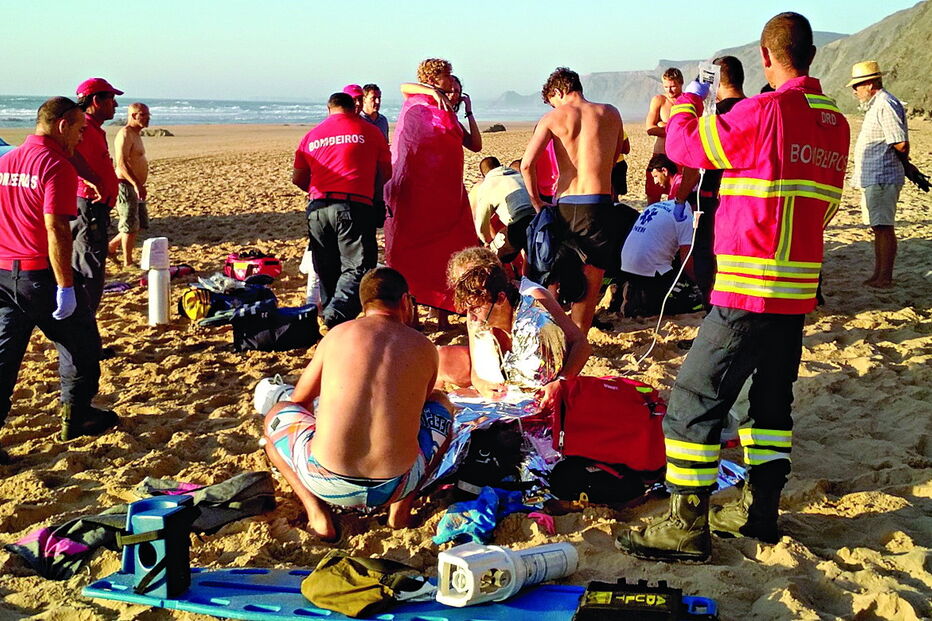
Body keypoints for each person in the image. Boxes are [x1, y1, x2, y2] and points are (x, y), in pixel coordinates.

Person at [616, 12, 850, 563]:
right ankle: (758, 509)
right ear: (812, 56)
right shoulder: (833, 122)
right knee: (769, 405)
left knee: (693, 401)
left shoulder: (765, 111)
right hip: (795, 292)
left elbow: (684, 148)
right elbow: (828, 206)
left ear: (768, 58)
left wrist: (689, 98)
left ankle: (685, 524)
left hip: (747, 288)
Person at [263, 267, 454, 540]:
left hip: (324, 480)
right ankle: (400, 511)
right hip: (396, 484)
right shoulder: (424, 347)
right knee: (441, 404)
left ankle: (317, 514)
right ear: (405, 301)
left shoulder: (337, 336)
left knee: (277, 415)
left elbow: (300, 401)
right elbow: (418, 409)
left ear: (363, 305)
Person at [0, 97, 119, 462]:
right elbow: (57, 229)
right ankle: (77, 415)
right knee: (82, 342)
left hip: (4, 273)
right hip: (38, 274)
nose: (80, 139)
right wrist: (66, 286)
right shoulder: (56, 164)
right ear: (63, 124)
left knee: (5, 356)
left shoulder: (6, 161)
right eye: (80, 130)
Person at [520, 67, 625, 334]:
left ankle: (554, 333)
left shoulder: (553, 117)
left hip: (567, 202)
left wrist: (536, 202)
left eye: (551, 99)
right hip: (600, 201)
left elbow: (526, 165)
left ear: (558, 91)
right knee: (592, 277)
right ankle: (578, 334)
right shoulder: (611, 113)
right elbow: (614, 158)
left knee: (554, 272)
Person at [437, 249, 591, 413]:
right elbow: (476, 371)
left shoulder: (534, 299)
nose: (466, 289)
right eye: (461, 284)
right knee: (440, 360)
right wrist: (482, 385)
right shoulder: (474, 310)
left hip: (541, 381)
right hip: (506, 389)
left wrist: (562, 381)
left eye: (472, 279)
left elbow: (581, 344)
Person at [384, 58, 479, 316]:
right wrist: (433, 91)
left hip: (447, 191)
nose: (451, 81)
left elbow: (475, 145)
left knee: (449, 251)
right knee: (414, 252)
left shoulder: (446, 111)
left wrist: (465, 109)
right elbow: (405, 87)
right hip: (419, 189)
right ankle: (411, 310)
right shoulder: (418, 102)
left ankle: (443, 313)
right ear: (436, 77)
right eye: (448, 76)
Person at [293, 92, 391, 328]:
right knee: (359, 265)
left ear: (329, 109)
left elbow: (298, 178)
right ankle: (336, 313)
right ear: (354, 108)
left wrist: (319, 189)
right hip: (354, 204)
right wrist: (374, 197)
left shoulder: (312, 135)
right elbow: (385, 173)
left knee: (326, 266)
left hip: (317, 207)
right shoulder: (369, 132)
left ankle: (332, 320)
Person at [849, 61, 910, 289]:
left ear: (871, 84)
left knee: (883, 227)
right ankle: (879, 274)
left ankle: (885, 276)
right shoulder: (879, 104)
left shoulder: (885, 103)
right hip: (876, 175)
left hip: (883, 175)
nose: (855, 91)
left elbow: (900, 143)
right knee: (879, 226)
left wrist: (907, 166)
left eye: (858, 85)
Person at [692, 56, 747, 307]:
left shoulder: (713, 117)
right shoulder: (756, 110)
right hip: (749, 197)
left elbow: (691, 157)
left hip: (712, 194)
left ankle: (710, 303)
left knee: (706, 251)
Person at [619, 160, 698, 317]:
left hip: (626, 266)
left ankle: (628, 294)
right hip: (651, 271)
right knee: (690, 299)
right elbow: (686, 261)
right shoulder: (686, 215)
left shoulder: (656, 206)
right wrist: (700, 283)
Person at [71, 78, 122, 319]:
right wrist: (92, 180)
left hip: (95, 207)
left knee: (90, 266)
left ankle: (84, 332)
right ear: (96, 100)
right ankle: (83, 335)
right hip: (89, 206)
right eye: (111, 99)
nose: (115, 105)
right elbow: (68, 154)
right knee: (88, 270)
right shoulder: (82, 127)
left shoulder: (91, 128)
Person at [468, 156, 535, 263]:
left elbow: (481, 223)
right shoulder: (517, 175)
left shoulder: (486, 185)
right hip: (538, 218)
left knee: (493, 256)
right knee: (529, 249)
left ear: (484, 175)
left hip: (518, 223)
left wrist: (488, 241)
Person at [107, 103, 150, 267]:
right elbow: (122, 163)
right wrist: (136, 183)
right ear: (133, 115)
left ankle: (111, 247)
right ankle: (128, 262)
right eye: (143, 115)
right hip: (126, 184)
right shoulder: (125, 134)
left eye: (148, 115)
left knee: (137, 224)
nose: (147, 118)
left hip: (135, 186)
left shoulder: (136, 134)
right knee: (129, 224)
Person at [645, 68, 684, 204]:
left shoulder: (686, 101)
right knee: (653, 194)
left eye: (673, 86)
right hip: (660, 155)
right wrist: (676, 129)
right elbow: (650, 128)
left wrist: (663, 125)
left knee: (678, 196)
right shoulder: (659, 100)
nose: (670, 90)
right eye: (666, 86)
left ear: (681, 84)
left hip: (679, 157)